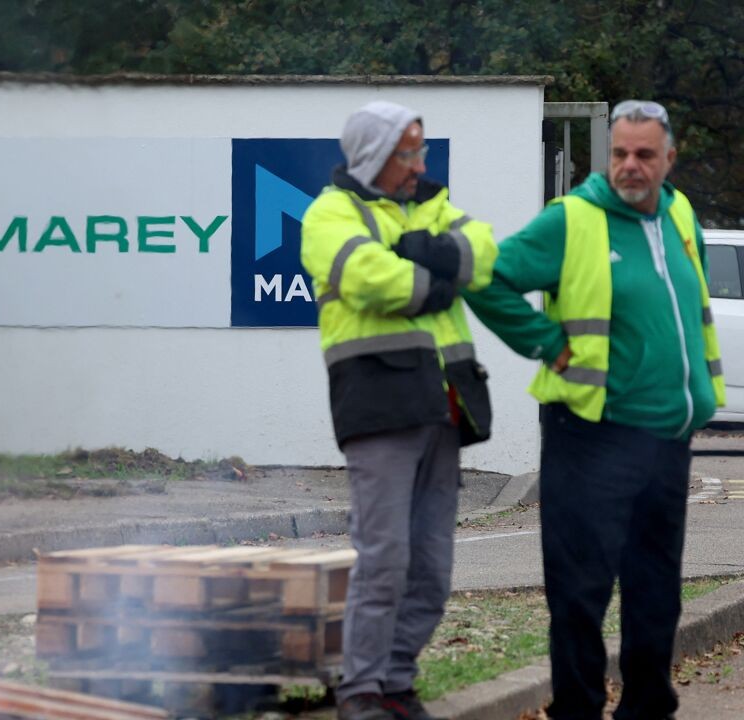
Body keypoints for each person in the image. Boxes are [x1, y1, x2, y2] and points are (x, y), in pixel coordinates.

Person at [462, 100, 724, 720]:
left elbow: (693, 309)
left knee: (655, 586)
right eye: (620, 154)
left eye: (644, 155)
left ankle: (647, 704)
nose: (630, 166)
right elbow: (485, 278)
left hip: (667, 434)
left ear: (669, 159)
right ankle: (577, 708)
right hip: (591, 434)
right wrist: (546, 343)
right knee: (581, 590)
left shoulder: (682, 214)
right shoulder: (572, 219)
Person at [300, 100, 497, 720]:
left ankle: (395, 682)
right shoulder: (330, 213)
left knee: (432, 569)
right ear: (375, 156)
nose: (419, 164)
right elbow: (369, 280)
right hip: (379, 405)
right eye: (407, 153)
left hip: (444, 405)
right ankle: (360, 690)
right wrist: (437, 273)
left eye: (421, 151)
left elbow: (483, 250)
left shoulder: (432, 202)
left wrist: (421, 252)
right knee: (384, 559)